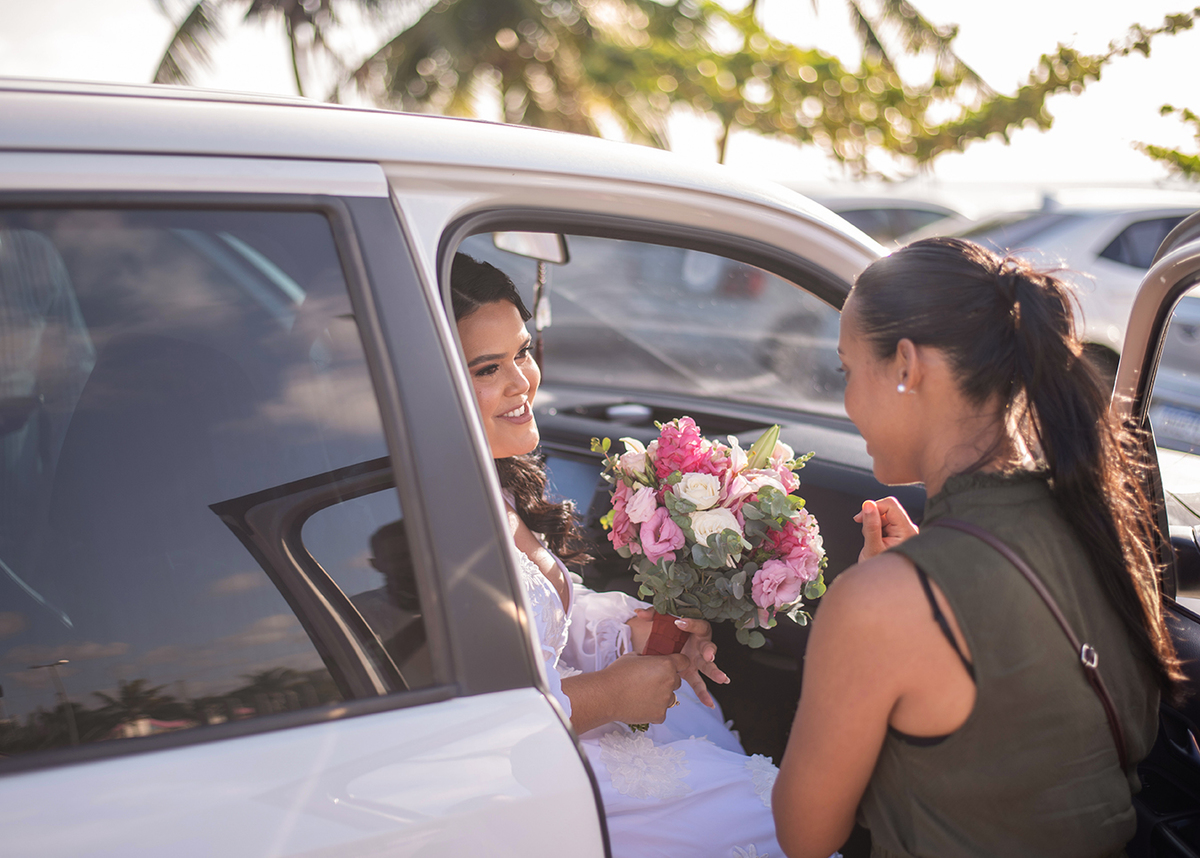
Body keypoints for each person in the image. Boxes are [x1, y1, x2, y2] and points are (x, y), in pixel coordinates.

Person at [772, 237, 1179, 857]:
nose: (848, 400)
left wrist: (885, 594)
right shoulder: (1104, 529)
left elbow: (805, 836)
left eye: (847, 370)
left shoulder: (883, 604)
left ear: (907, 366)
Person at [451, 252, 795, 858]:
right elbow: (469, 722)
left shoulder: (493, 485)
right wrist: (607, 696)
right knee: (776, 817)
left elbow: (546, 625)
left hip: (570, 746)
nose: (521, 383)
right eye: (486, 369)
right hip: (531, 785)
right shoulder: (438, 524)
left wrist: (633, 633)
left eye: (522, 353)